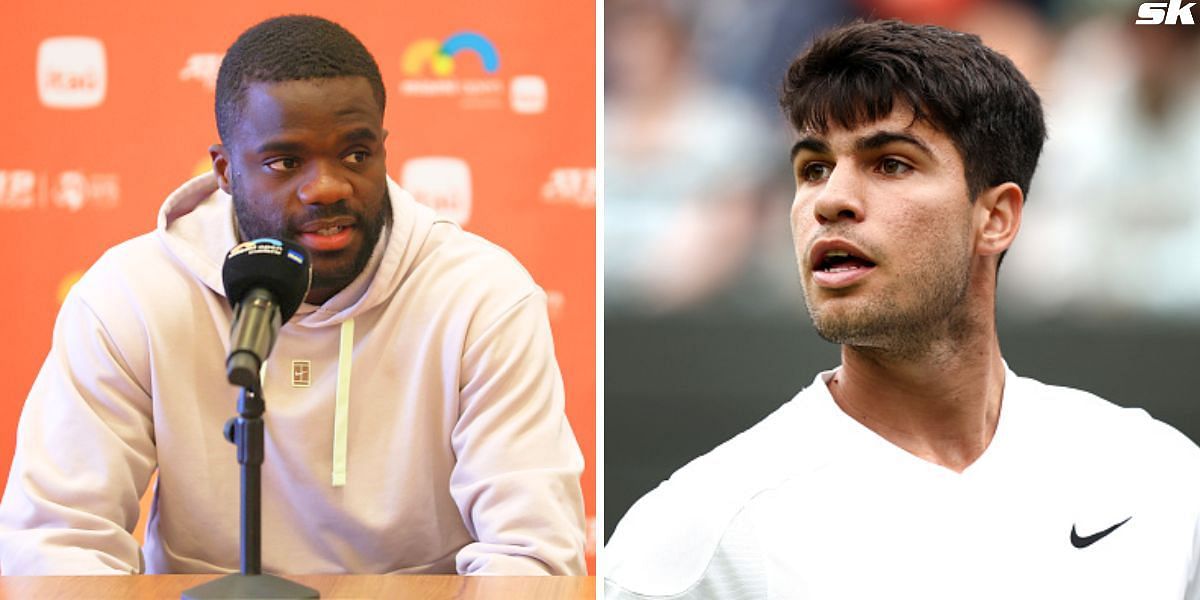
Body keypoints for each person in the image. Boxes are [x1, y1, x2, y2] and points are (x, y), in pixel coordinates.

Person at [604, 19, 1200, 599]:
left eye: (890, 163)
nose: (830, 199)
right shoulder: (690, 538)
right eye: (812, 168)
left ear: (995, 218)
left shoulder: (1161, 476)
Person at [0, 15, 586, 576]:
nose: (328, 187)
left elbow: (531, 553)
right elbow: (57, 539)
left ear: (383, 149)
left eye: (356, 154)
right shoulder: (131, 295)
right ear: (226, 171)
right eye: (285, 161)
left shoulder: (482, 295)